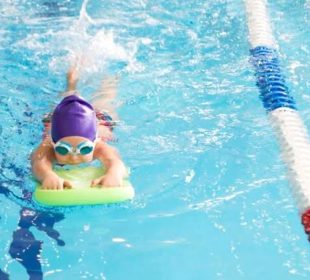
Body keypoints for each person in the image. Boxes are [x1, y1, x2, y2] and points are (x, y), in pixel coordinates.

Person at [31, 66, 127, 190]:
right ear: (53, 143)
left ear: (94, 142)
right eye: (63, 149)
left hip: (100, 120)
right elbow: (38, 163)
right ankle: (71, 82)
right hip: (58, 120)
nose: (74, 156)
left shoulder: (99, 146)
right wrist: (47, 175)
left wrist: (114, 174)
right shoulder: (47, 146)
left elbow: (115, 162)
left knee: (105, 99)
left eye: (85, 149)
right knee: (67, 98)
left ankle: (110, 76)